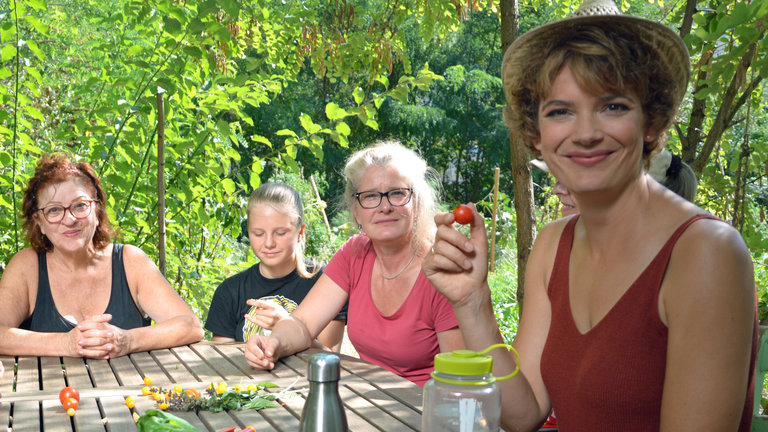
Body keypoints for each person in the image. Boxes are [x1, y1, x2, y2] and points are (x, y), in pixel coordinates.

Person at [423, 0, 757, 430]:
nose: (584, 133)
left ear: (651, 122)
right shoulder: (552, 242)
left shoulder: (706, 252)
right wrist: (472, 303)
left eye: (613, 106)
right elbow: (523, 413)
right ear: (536, 135)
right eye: (560, 111)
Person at [244, 141, 464, 386]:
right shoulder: (354, 253)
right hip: (367, 402)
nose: (385, 207)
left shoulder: (440, 267)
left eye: (397, 193)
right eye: (370, 196)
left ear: (418, 203)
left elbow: (457, 380)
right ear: (356, 211)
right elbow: (303, 324)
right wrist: (275, 343)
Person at [0, 153, 204, 359]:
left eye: (80, 205)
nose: (69, 219)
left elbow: (190, 326)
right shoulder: (27, 266)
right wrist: (66, 343)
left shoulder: (130, 260)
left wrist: (127, 340)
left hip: (132, 390)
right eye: (54, 210)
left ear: (97, 211)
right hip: (52, 392)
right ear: (39, 222)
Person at [205, 183, 347, 351]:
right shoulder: (229, 291)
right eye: (258, 233)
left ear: (300, 232)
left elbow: (329, 358)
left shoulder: (327, 281)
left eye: (280, 233)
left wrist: (287, 326)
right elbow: (223, 361)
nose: (269, 243)